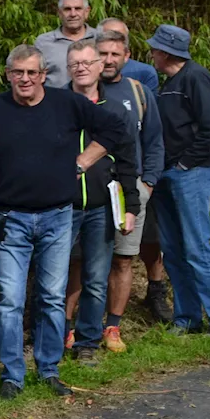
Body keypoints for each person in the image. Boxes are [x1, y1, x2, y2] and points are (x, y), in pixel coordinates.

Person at [0, 45, 127, 400]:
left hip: (58, 217)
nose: (25, 79)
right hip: (9, 218)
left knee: (51, 297)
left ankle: (48, 368)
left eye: (32, 73)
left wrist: (83, 161)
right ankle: (12, 374)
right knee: (11, 301)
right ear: (8, 74)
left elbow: (115, 128)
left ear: (43, 74)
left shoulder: (66, 104)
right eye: (18, 72)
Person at [146, 24, 210, 334]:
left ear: (166, 52)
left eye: (155, 49)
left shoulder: (195, 77)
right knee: (173, 249)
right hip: (168, 174)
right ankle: (187, 318)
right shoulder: (168, 82)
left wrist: (184, 164)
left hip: (192, 173)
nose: (151, 53)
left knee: (196, 247)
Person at [60, 39, 139, 364]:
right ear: (68, 67)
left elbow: (127, 162)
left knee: (95, 278)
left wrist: (131, 206)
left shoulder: (114, 110)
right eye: (75, 62)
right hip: (59, 206)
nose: (81, 67)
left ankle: (87, 344)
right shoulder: (54, 105)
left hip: (99, 208)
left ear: (98, 67)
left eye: (87, 62)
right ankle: (55, 335)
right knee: (55, 278)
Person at [95, 28, 167, 347]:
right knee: (84, 258)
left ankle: (113, 328)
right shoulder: (81, 91)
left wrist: (147, 182)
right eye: (103, 53)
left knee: (123, 259)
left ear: (126, 57)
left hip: (129, 189)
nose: (108, 60)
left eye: (115, 54)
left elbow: (153, 141)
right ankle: (77, 327)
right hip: (92, 188)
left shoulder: (139, 92)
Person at [34, 0, 98, 89]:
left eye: (78, 9)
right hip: (56, 103)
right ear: (59, 13)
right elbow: (34, 78)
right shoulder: (43, 43)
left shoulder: (99, 38)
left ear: (86, 12)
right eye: (67, 9)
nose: (73, 14)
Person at [98, 17, 160, 92]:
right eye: (108, 35)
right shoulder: (84, 72)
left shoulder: (144, 72)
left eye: (119, 37)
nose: (109, 60)